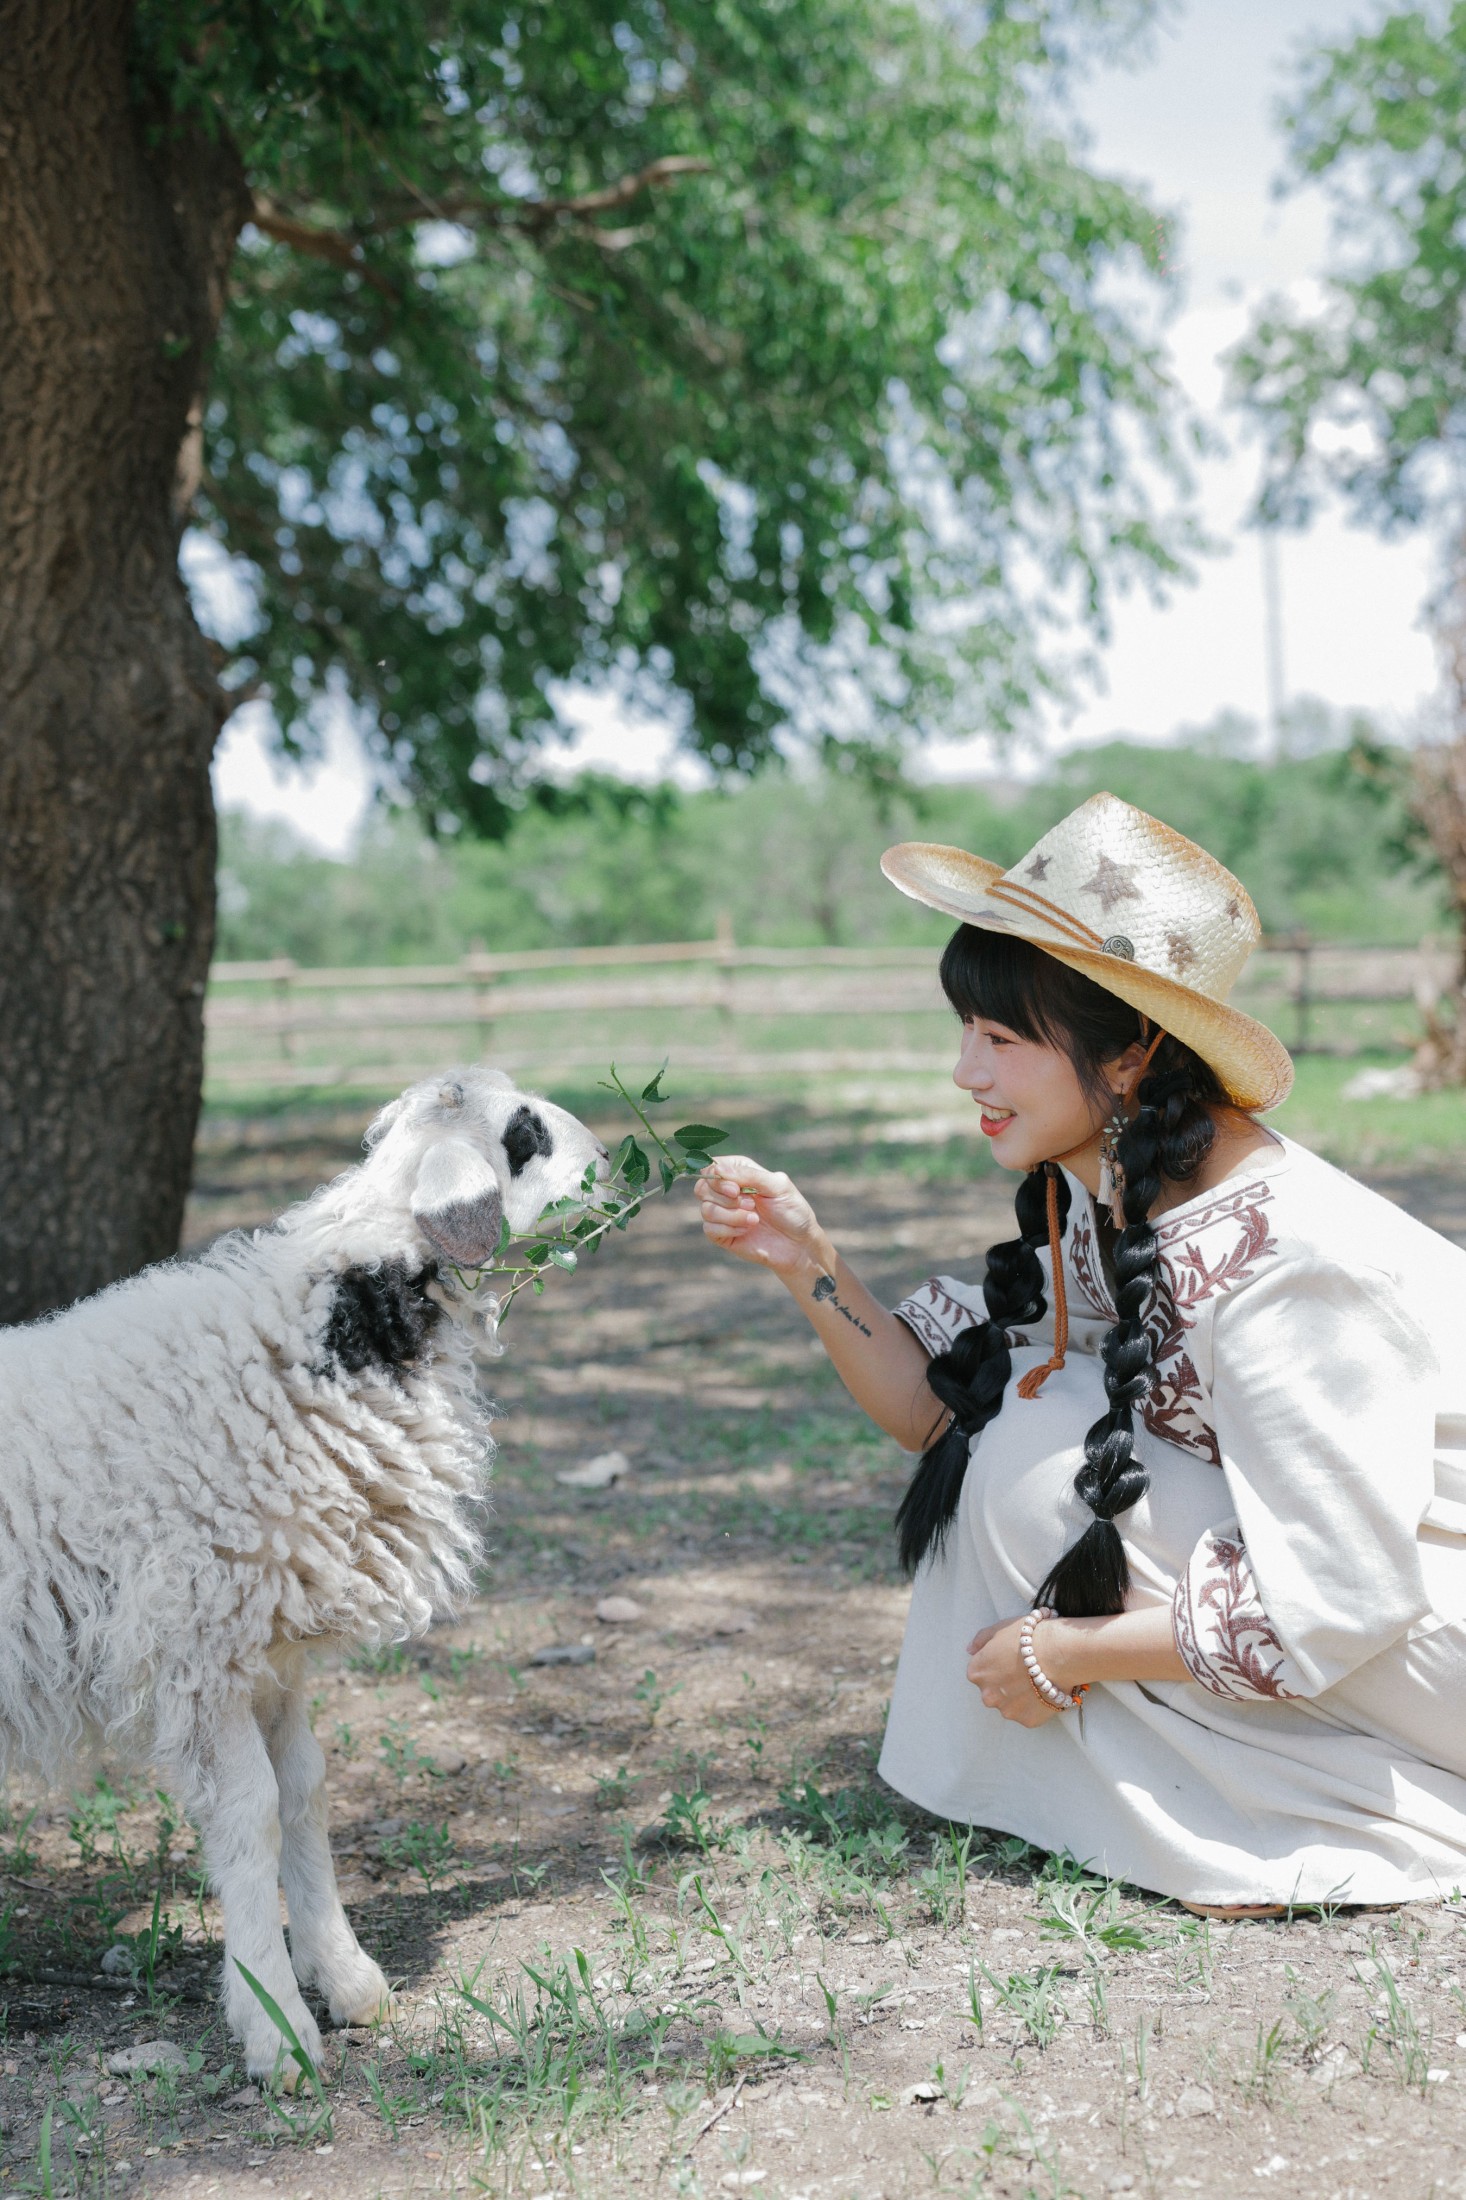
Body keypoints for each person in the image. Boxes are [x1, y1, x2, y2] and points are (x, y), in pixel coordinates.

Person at [695, 792, 1466, 1911]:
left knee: (1046, 1446)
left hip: (1426, 1624)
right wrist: (804, 1260)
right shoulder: (1123, 1202)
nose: (966, 1070)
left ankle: (1313, 1813)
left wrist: (1070, 1651)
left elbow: (1342, 1597)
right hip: (1384, 1617)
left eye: (1001, 1039)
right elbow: (940, 1417)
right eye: (964, 1030)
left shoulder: (1291, 1268)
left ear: (1129, 1054)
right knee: (1027, 1424)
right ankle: (1235, 1800)